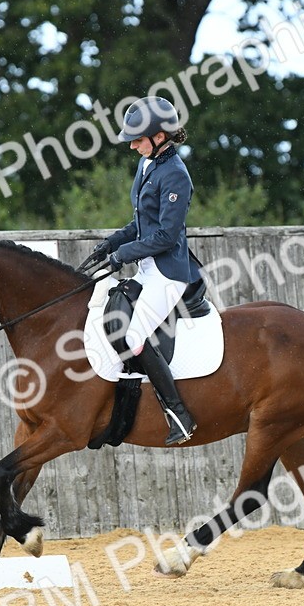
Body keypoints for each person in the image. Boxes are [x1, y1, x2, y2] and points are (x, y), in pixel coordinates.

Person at [83, 96, 202, 445]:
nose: (132, 145)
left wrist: (125, 254)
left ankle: (179, 414)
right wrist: (111, 243)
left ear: (160, 137)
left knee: (134, 338)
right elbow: (140, 223)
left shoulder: (176, 176)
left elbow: (165, 235)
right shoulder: (147, 164)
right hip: (148, 267)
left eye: (138, 139)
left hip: (168, 273)